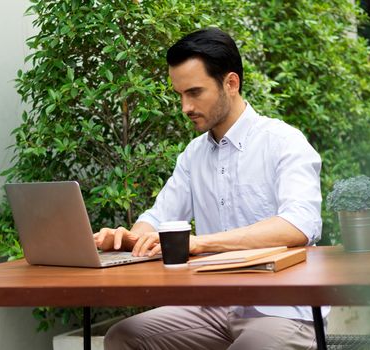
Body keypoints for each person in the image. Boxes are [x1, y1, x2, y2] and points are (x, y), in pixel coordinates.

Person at [94, 27, 328, 350]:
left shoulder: (283, 142)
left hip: (282, 310)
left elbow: (298, 225)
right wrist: (132, 239)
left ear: (231, 83)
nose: (185, 107)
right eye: (179, 95)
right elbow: (157, 217)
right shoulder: (194, 155)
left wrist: (200, 243)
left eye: (194, 93)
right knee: (123, 338)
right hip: (213, 308)